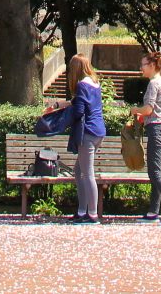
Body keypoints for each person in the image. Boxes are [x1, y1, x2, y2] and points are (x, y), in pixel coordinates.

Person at [43, 53, 108, 223]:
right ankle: (81, 211)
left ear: (75, 68)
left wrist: (60, 120)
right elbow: (77, 102)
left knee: (87, 174)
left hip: (87, 132)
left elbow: (79, 111)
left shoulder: (81, 85)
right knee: (79, 171)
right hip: (98, 131)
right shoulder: (94, 83)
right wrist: (56, 105)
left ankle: (92, 214)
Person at [131, 50, 161, 223]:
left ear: (152, 66)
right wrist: (155, 119)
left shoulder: (153, 84)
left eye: (143, 65)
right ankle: (153, 212)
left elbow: (149, 109)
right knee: (155, 171)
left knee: (154, 172)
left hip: (156, 131)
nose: (141, 68)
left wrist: (136, 111)